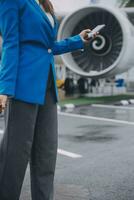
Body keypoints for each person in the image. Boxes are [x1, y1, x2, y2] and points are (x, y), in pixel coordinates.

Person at [0, 0, 97, 199]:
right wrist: (5, 88)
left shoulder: (44, 4)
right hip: (22, 86)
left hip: (48, 86)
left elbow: (49, 47)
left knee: (46, 155)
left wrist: (78, 39)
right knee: (14, 157)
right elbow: (10, 43)